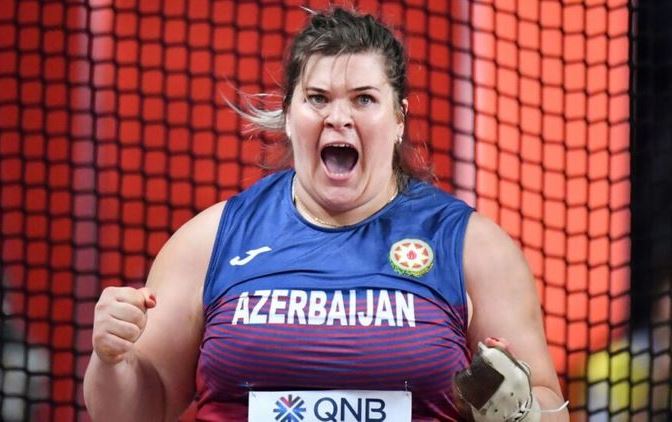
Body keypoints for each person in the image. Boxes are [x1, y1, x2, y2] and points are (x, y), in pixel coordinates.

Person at [84, 7, 569, 421]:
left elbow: (550, 404)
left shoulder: (472, 247)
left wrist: (522, 409)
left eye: (364, 99)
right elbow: (137, 410)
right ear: (289, 115)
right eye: (318, 98)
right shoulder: (209, 241)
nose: (339, 118)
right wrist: (111, 359)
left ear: (399, 118)